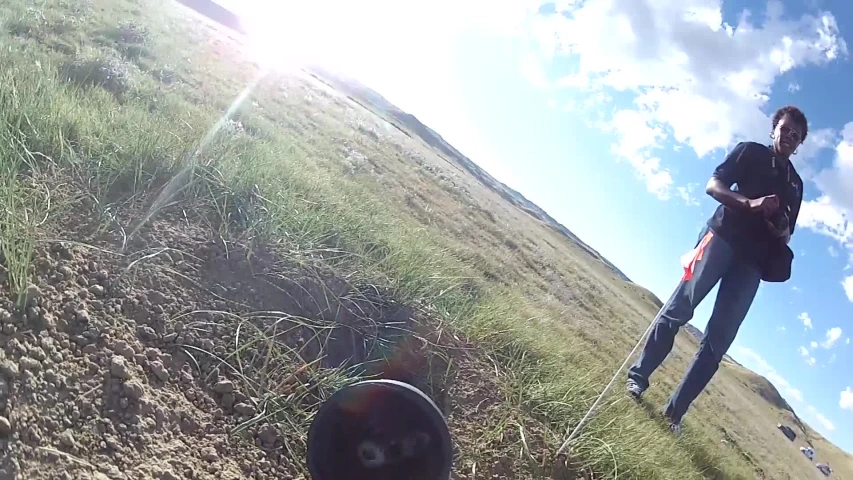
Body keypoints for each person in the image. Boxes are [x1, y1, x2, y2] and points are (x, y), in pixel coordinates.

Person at [625, 105, 807, 434]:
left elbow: (789, 230)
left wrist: (781, 228)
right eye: (785, 130)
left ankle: (674, 415)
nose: (789, 138)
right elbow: (713, 185)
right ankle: (637, 379)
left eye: (796, 136)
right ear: (773, 130)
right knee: (680, 308)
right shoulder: (749, 152)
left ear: (800, 144)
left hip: (752, 263)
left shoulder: (796, 184)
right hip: (721, 237)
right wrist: (749, 204)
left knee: (717, 342)